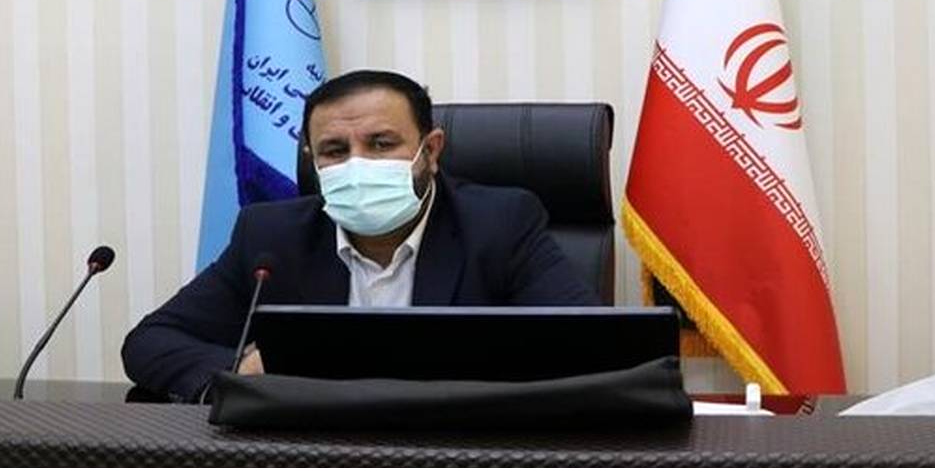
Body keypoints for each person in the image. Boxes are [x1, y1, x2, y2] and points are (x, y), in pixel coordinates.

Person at [122, 69, 599, 401]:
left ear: (431, 151)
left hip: (458, 457)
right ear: (313, 161)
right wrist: (235, 373)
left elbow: (588, 346)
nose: (358, 164)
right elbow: (151, 340)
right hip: (315, 464)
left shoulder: (500, 223)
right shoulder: (271, 235)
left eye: (381, 144)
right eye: (334, 150)